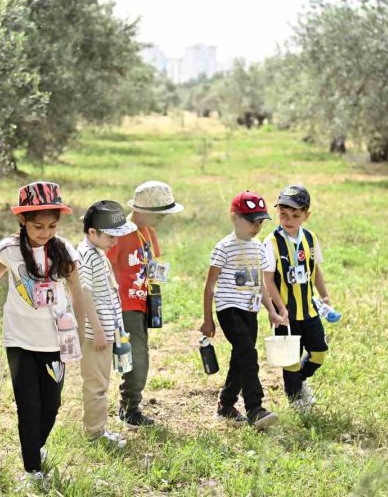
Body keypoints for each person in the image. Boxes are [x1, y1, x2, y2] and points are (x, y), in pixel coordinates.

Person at [0, 181, 88, 484]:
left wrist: (79, 329)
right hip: (20, 341)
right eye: (38, 225)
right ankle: (31, 468)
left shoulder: (64, 250)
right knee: (28, 405)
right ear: (22, 220)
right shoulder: (9, 250)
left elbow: (77, 293)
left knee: (52, 404)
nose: (45, 232)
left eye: (52, 225)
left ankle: (36, 448)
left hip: (56, 340)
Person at [200, 191, 287, 430]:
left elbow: (260, 284)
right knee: (248, 353)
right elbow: (209, 286)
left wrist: (271, 310)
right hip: (229, 309)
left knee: (241, 357)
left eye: (260, 221)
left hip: (250, 310)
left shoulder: (258, 248)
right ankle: (255, 408)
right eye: (251, 221)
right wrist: (208, 320)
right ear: (234, 218)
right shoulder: (223, 247)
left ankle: (226, 406)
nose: (256, 226)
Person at [106, 180, 183, 427]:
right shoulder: (119, 233)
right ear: (143, 211)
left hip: (143, 301)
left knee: (139, 351)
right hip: (124, 303)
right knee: (138, 354)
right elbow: (104, 265)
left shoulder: (147, 232)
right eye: (159, 215)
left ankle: (130, 405)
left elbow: (149, 264)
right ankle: (129, 408)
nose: (162, 220)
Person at [263, 185, 333, 410]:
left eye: (295, 215)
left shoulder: (310, 238)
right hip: (286, 313)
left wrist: (324, 295)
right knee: (290, 358)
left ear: (306, 215)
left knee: (319, 352)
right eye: (284, 214)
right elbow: (268, 280)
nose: (289, 219)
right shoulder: (271, 242)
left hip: (309, 309)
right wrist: (279, 308)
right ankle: (295, 400)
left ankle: (300, 382)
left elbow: (316, 270)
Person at [77, 200, 137, 449]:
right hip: (95, 333)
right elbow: (84, 294)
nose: (115, 241)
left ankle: (98, 428)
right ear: (93, 232)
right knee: (96, 384)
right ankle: (95, 433)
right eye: (111, 236)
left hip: (106, 329)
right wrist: (99, 331)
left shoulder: (97, 253)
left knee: (102, 381)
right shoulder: (85, 257)